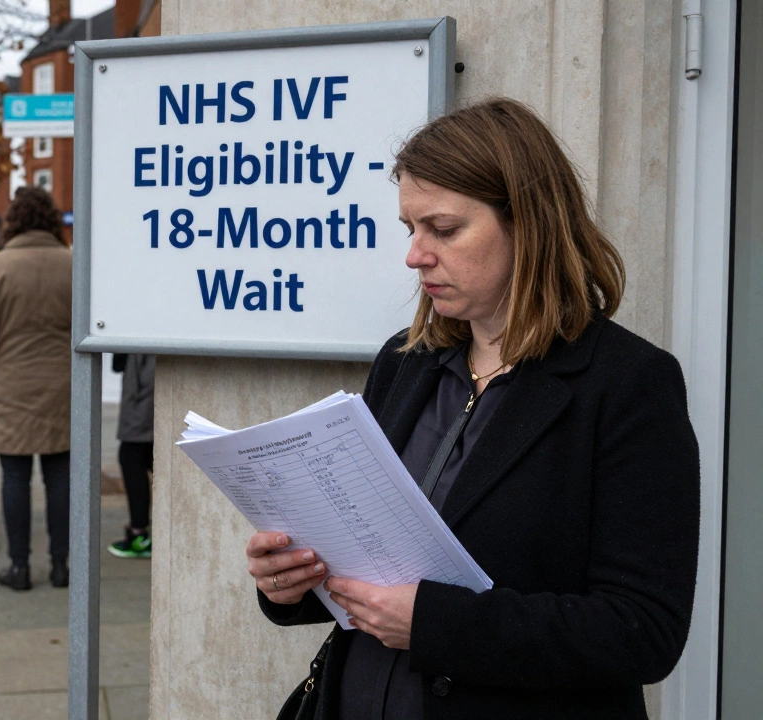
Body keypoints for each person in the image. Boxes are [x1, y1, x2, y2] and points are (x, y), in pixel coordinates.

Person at [247, 98, 699, 719]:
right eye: (411, 229)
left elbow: (643, 631)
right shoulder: (406, 362)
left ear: (528, 225)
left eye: (445, 229)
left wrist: (436, 624)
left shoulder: (626, 384)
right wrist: (291, 582)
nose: (415, 255)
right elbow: (368, 557)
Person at [0, 187, 72, 592]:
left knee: (15, 476)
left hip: (11, 387)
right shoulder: (74, 263)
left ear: (12, 221)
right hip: (64, 387)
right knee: (61, 477)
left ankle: (19, 566)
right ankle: (61, 564)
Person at [107, 353, 154, 559]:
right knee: (139, 458)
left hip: (143, 403)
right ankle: (139, 531)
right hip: (144, 399)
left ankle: (138, 533)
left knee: (131, 457)